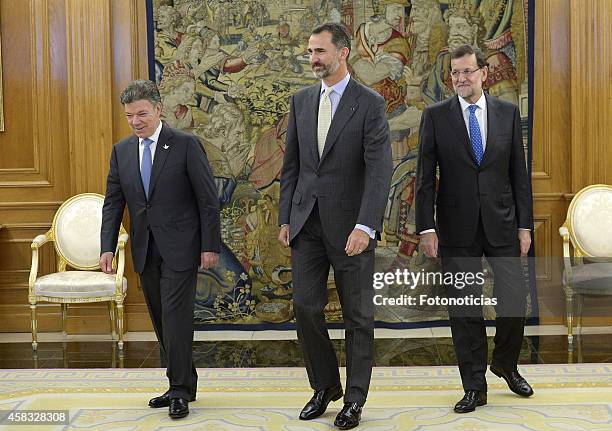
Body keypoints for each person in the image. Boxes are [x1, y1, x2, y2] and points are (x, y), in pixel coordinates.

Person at [278, 23, 392, 430]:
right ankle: (325, 386)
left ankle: (355, 400)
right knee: (306, 309)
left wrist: (366, 225)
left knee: (358, 317)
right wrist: (286, 217)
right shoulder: (301, 101)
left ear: (342, 53)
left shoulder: (370, 103)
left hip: (351, 232)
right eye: (310, 52)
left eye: (320, 52)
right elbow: (291, 166)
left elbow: (380, 171)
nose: (313, 59)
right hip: (306, 224)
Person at [415, 44, 534, 413]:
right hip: (456, 226)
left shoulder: (507, 113)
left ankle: (505, 364)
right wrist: (426, 229)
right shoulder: (435, 116)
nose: (461, 79)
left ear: (483, 73)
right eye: (455, 73)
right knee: (465, 309)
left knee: (513, 301)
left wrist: (525, 225)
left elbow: (519, 174)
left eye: (467, 72)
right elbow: (423, 177)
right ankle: (474, 386)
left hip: (502, 222)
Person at [100, 80, 220, 419]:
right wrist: (106, 246)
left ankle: (179, 389)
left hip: (182, 248)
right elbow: (113, 203)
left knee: (176, 317)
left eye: (142, 114)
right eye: (129, 116)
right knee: (161, 319)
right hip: (145, 250)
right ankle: (184, 382)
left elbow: (207, 200)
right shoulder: (121, 151)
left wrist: (210, 245)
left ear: (158, 109)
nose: (136, 121)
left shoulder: (184, 145)